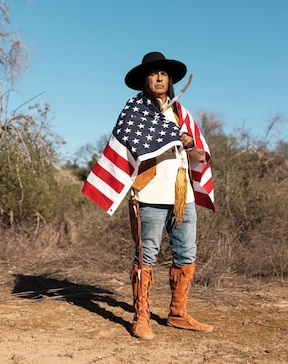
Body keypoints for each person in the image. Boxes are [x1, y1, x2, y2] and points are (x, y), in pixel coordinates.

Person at [82, 51, 216, 340]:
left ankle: (178, 314)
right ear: (145, 80)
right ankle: (141, 317)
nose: (159, 77)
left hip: (183, 196)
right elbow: (127, 148)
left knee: (186, 254)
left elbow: (199, 155)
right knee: (146, 256)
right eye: (153, 73)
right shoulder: (135, 111)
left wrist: (188, 141)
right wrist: (164, 137)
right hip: (149, 194)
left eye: (164, 74)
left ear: (170, 81)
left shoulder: (181, 113)